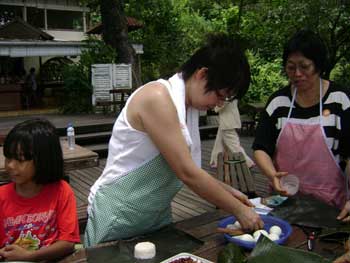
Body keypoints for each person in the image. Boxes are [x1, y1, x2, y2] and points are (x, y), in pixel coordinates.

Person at [84, 33, 264, 247]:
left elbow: (190, 169)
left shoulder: (187, 108)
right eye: (220, 95)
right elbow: (186, 172)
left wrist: (232, 194)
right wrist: (239, 210)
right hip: (118, 214)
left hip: (153, 217)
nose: (218, 105)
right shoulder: (157, 97)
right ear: (202, 74)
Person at [252, 29, 350, 220]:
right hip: (284, 201)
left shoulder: (341, 101)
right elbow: (260, 148)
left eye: (304, 67)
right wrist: (273, 175)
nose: (297, 74)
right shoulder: (278, 103)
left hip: (330, 206)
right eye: (290, 67)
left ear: (319, 66)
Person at [0, 119, 80, 262]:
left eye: (21, 159)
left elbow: (68, 242)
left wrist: (30, 256)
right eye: (8, 158)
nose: (11, 165)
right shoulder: (2, 196)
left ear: (44, 159)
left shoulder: (61, 190)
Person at [210, 99, 255, 168]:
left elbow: (223, 103)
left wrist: (214, 107)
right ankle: (216, 161)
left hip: (228, 122)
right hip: (227, 120)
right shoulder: (232, 91)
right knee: (219, 142)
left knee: (233, 144)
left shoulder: (228, 93)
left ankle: (247, 162)